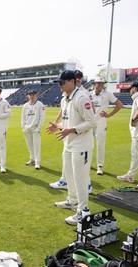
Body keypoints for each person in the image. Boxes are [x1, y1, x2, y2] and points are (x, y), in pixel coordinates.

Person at [46, 70, 96, 225]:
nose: (60, 85)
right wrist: (59, 126)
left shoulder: (81, 98)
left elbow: (92, 122)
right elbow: (69, 122)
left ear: (72, 82)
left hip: (81, 145)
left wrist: (71, 130)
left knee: (80, 179)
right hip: (68, 144)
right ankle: (72, 201)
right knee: (69, 176)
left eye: (62, 82)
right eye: (59, 83)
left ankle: (83, 211)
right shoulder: (65, 99)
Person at [91, 76, 122, 175]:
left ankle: (100, 166)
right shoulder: (88, 94)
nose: (100, 85)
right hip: (89, 122)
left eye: (102, 83)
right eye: (98, 83)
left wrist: (109, 115)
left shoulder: (108, 94)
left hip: (101, 122)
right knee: (87, 144)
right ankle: (86, 163)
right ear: (94, 83)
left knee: (100, 145)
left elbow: (119, 104)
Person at [21, 89, 45, 170]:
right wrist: (23, 127)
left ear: (36, 95)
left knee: (36, 146)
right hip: (27, 128)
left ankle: (37, 162)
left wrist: (38, 128)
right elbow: (23, 118)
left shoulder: (40, 104)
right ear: (28, 96)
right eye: (30, 95)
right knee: (30, 145)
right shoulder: (25, 105)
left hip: (35, 128)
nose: (31, 96)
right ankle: (32, 159)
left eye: (33, 95)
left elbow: (42, 117)